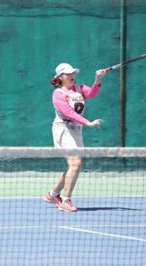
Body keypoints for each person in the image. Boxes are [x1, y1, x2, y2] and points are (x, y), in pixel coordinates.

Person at [44, 63, 108, 212]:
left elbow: (92, 93)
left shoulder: (79, 88)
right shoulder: (58, 94)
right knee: (76, 163)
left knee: (73, 165)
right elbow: (68, 113)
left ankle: (53, 194)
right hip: (63, 129)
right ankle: (65, 201)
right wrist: (88, 123)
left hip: (76, 130)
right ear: (60, 77)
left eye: (73, 73)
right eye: (68, 74)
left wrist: (98, 79)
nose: (72, 76)